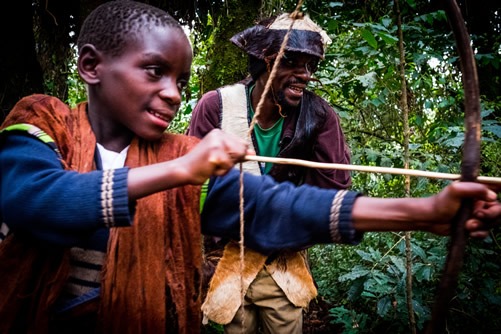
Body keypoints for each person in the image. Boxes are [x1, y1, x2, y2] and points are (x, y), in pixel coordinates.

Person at [0, 2, 499, 334]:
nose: (173, 93)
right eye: (155, 71)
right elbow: (35, 200)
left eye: (180, 78)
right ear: (91, 67)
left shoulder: (181, 157)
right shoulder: (43, 122)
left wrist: (424, 211)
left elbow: (269, 204)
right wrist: (183, 171)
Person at [187, 12, 351, 333]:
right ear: (263, 62)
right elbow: (193, 184)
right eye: (292, 62)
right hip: (226, 259)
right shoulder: (217, 106)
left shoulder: (318, 116)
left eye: (310, 67)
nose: (303, 75)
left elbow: (333, 189)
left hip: (283, 263)